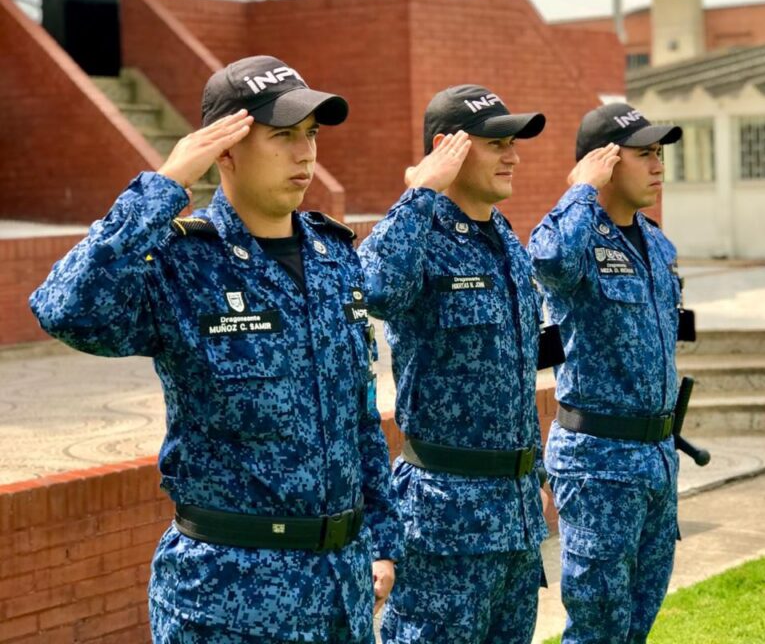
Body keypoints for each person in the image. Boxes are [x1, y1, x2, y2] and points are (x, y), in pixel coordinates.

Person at [29, 56, 401, 644]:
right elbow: (67, 309)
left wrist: (382, 540)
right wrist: (166, 184)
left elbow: (358, 421)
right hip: (228, 601)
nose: (305, 154)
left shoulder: (335, 260)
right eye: (282, 136)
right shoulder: (182, 263)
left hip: (341, 591)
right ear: (223, 150)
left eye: (311, 135)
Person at [358, 85, 550, 643]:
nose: (512, 155)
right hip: (447, 520)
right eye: (496, 144)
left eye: (513, 143)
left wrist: (532, 471)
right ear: (448, 148)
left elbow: (512, 376)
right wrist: (420, 192)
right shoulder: (421, 237)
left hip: (514, 516)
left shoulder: (505, 240)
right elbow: (373, 288)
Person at [528, 102, 684, 644]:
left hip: (657, 460)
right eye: (645, 154)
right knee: (597, 628)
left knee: (637, 623)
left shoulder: (656, 243)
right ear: (606, 162)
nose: (659, 166)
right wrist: (581, 190)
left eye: (659, 154)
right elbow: (546, 262)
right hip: (600, 464)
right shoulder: (577, 239)